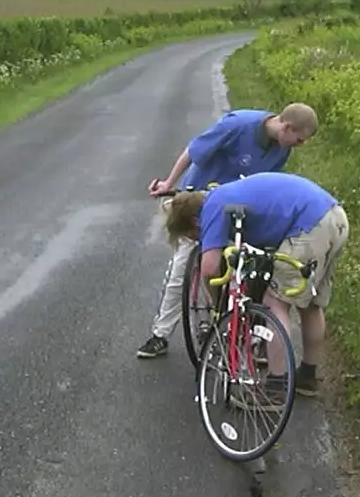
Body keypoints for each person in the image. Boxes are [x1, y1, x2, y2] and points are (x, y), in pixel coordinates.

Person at [137, 103, 318, 359]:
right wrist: (169, 182)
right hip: (201, 201)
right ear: (286, 127)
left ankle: (244, 329)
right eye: (298, 140)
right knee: (183, 268)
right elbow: (194, 150)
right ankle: (160, 334)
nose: (298, 145)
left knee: (248, 267)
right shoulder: (237, 125)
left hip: (237, 208)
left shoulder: (281, 148)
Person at [161, 171, 348, 403]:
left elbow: (209, 268)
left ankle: (276, 387)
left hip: (310, 226)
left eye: (194, 235)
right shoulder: (228, 193)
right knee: (310, 304)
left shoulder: (213, 207)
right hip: (334, 216)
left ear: (194, 222)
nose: (200, 239)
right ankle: (308, 376)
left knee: (274, 304)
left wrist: (216, 304)